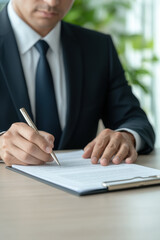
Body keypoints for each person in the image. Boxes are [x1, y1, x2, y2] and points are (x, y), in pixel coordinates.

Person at [0, 0, 155, 167]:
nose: (52, 2)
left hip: (83, 186)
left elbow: (135, 121)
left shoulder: (97, 47)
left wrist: (126, 136)